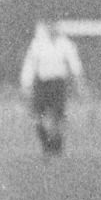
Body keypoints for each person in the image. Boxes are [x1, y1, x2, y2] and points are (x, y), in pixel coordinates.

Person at [19, 21, 84, 157]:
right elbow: (30, 65)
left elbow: (74, 63)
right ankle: (46, 144)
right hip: (42, 84)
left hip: (58, 84)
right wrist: (26, 84)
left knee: (57, 117)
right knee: (38, 116)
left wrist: (79, 82)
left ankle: (57, 146)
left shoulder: (65, 44)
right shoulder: (37, 44)